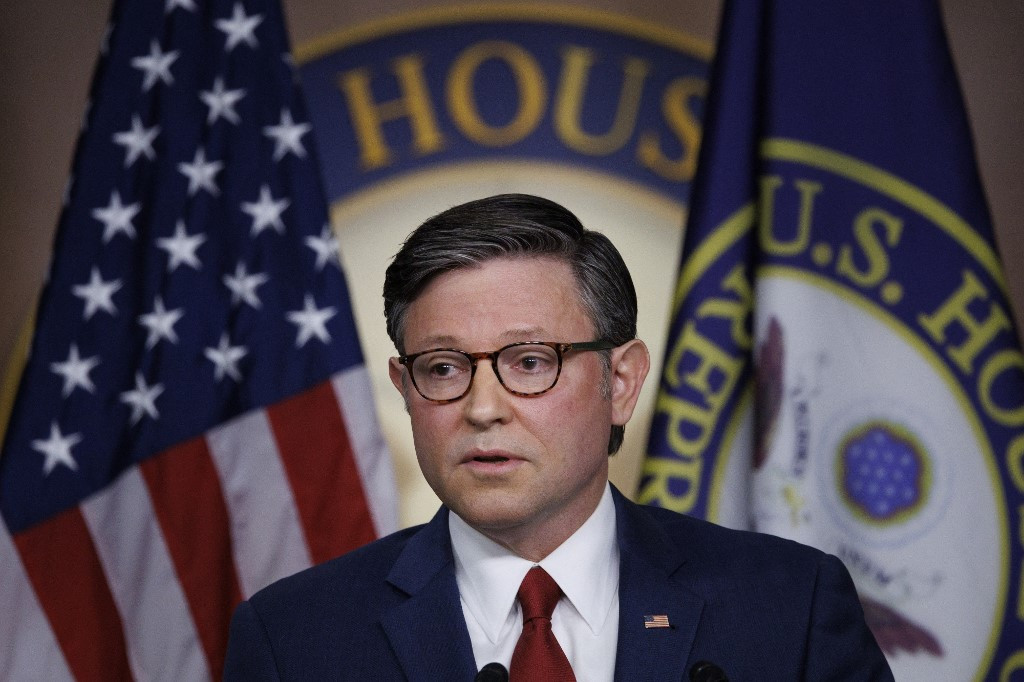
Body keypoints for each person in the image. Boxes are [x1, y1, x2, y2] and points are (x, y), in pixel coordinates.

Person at [224, 194, 893, 680]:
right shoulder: (295, 640)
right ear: (405, 389)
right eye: (444, 368)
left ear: (621, 381)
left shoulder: (787, 609)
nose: (483, 408)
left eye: (530, 362)